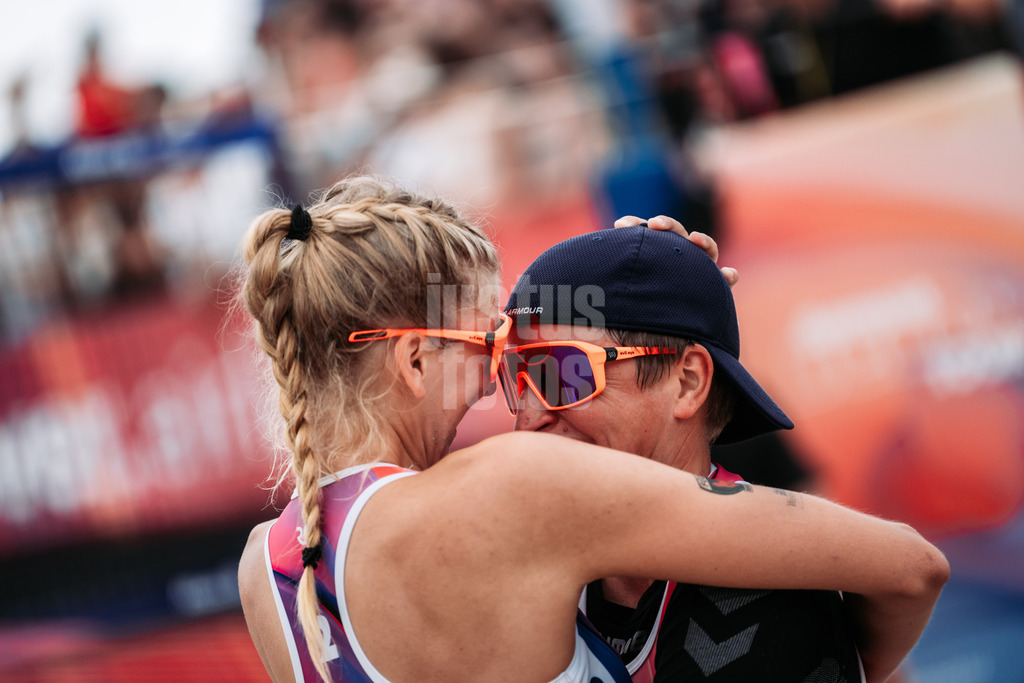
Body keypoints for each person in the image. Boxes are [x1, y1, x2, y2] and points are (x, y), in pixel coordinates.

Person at [236, 175, 948, 683]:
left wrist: (661, 297)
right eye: (497, 355)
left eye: (547, 368)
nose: (504, 393)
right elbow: (910, 564)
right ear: (415, 360)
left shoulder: (268, 572)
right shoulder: (511, 490)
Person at [498, 215, 922, 682]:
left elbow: (916, 568)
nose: (528, 417)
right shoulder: (526, 560)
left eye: (566, 373)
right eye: (519, 376)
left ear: (687, 382)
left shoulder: (758, 604)